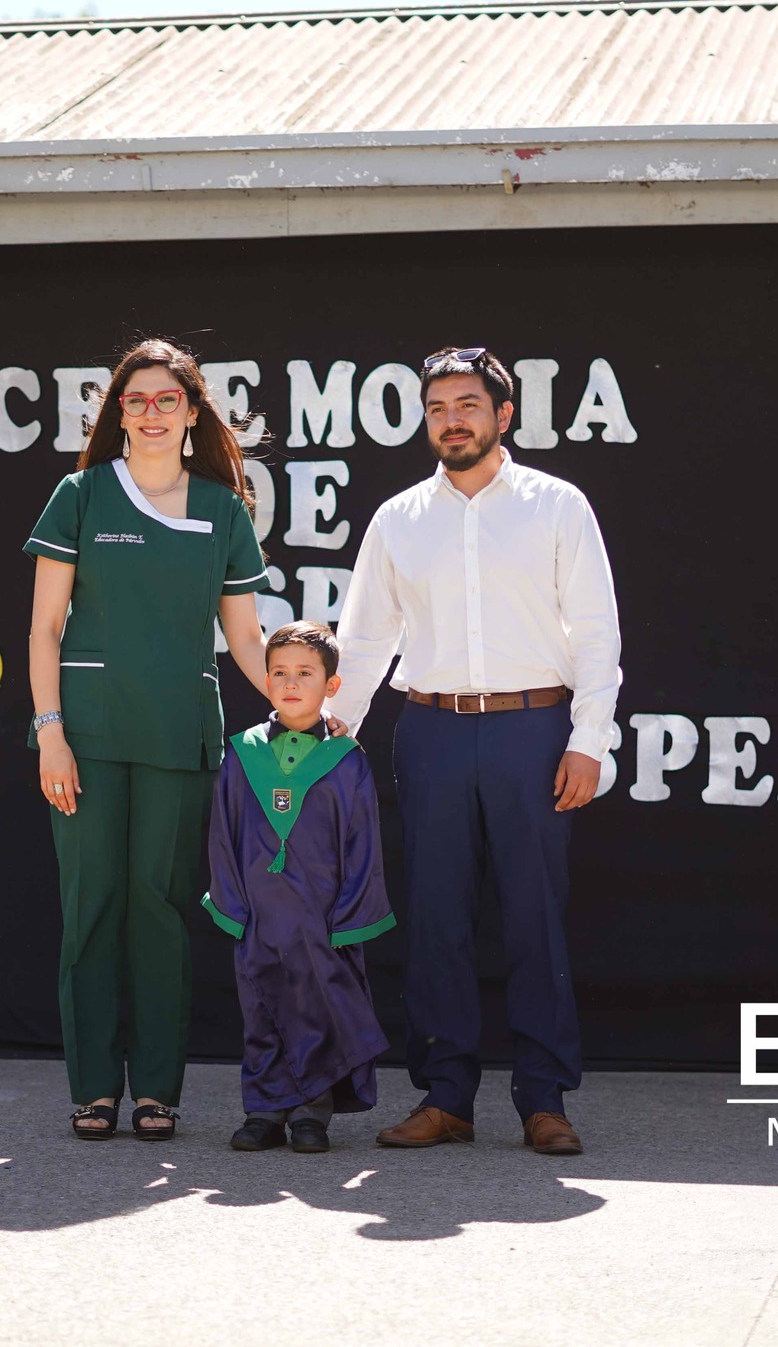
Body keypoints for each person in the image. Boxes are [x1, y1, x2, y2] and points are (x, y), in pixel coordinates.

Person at [327, 345, 622, 1157]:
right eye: (438, 409)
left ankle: (544, 1099)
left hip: (535, 728)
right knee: (436, 918)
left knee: (534, 916)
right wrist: (325, 742)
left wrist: (589, 740)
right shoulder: (398, 518)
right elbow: (365, 640)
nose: (451, 421)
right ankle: (445, 1096)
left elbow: (596, 631)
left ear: (504, 414)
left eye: (467, 405)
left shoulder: (557, 505)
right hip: (433, 732)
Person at [24, 338, 273, 1142]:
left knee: (159, 908)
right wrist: (50, 734)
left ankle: (157, 1090)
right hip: (86, 736)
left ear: (193, 412)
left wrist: (299, 699)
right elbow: (44, 628)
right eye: (137, 400)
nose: (153, 412)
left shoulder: (223, 510)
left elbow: (245, 638)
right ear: (119, 414)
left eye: (169, 399)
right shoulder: (81, 495)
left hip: (178, 735)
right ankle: (95, 1088)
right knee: (92, 905)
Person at [202, 621, 395, 1155]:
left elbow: (363, 842)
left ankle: (312, 1111)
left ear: (331, 685)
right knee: (262, 1009)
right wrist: (232, 905)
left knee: (317, 1010)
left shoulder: (347, 761)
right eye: (280, 672)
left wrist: (351, 917)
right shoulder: (242, 754)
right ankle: (264, 1111)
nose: (291, 683)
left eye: (305, 673)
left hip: (322, 914)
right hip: (261, 913)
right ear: (265, 680)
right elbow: (222, 834)